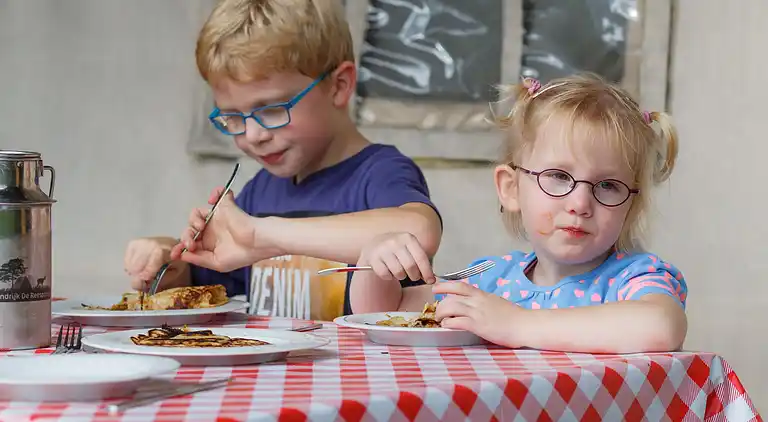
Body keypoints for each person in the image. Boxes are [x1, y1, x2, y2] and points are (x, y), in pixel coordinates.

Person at [123, 0, 442, 321]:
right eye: (233, 116)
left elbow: (418, 231)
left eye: (272, 110)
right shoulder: (259, 191)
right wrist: (167, 260)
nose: (252, 135)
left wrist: (262, 235)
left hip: (362, 369)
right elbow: (206, 285)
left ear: (339, 86)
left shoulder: (379, 172)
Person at [346, 74, 688, 354]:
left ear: (631, 204)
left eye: (608, 185)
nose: (580, 203)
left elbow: (661, 327)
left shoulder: (635, 278)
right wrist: (376, 265)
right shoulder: (491, 279)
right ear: (510, 188)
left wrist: (516, 324)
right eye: (557, 176)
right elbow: (389, 314)